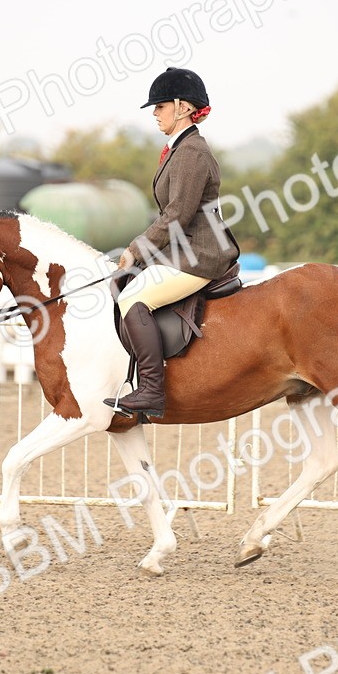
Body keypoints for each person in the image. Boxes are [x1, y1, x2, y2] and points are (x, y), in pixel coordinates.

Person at [102, 67, 239, 418]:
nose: (155, 113)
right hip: (183, 249)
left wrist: (136, 249)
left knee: (133, 297)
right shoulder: (179, 150)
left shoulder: (192, 152)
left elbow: (177, 213)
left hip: (202, 254)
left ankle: (150, 390)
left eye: (160, 106)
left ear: (182, 107)